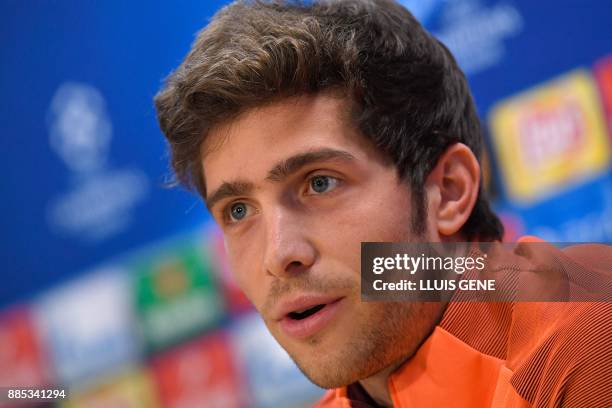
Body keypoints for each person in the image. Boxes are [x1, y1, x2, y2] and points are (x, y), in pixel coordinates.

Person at [154, 1, 611, 406]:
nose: (279, 255)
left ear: (447, 192)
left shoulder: (586, 338)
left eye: (320, 184)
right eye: (238, 210)